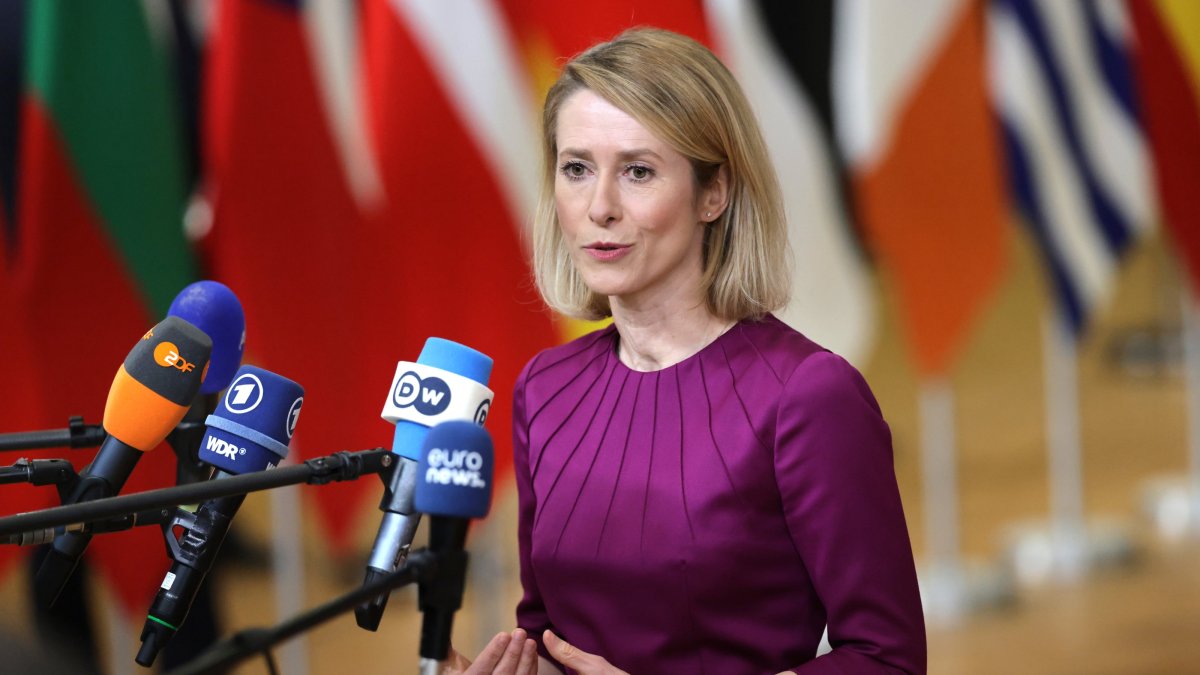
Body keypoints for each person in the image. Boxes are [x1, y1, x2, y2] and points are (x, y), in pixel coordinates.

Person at [451, 27, 925, 674]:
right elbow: (548, 634)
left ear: (714, 193)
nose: (599, 207)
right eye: (576, 168)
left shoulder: (810, 395)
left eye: (638, 171)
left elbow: (886, 659)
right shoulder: (545, 387)